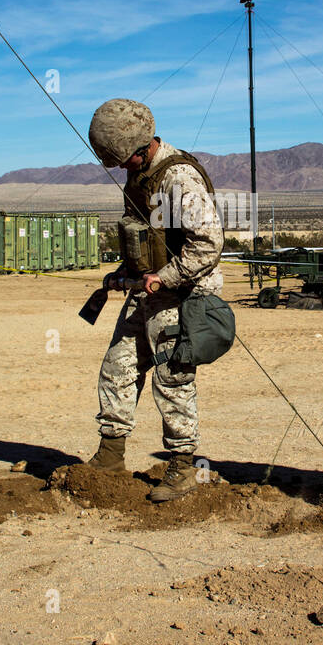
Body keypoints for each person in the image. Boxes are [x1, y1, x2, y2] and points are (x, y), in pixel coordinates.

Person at [85, 98, 224, 502]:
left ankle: (182, 465)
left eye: (123, 160)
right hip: (150, 290)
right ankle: (110, 454)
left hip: (183, 293)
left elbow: (209, 243)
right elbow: (147, 237)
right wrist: (126, 274)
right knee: (118, 365)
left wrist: (164, 278)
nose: (121, 169)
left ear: (141, 147)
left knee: (172, 376)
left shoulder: (178, 177)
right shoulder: (140, 175)